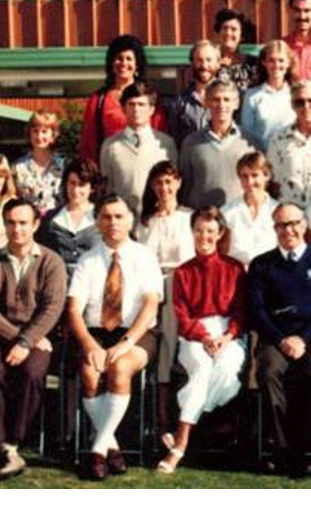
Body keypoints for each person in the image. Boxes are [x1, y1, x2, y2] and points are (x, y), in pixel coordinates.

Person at [65, 194, 161, 481]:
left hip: (136, 333)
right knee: (91, 373)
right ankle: (112, 448)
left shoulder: (145, 256)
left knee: (119, 368)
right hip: (95, 333)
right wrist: (89, 344)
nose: (113, 222)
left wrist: (127, 342)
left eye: (119, 216)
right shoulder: (88, 259)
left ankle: (96, 451)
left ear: (130, 220)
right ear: (97, 222)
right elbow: (73, 308)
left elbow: (151, 304)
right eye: (106, 217)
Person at [0, 198, 67, 480]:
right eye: (12, 223)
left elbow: (53, 307)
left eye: (23, 223)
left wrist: (28, 341)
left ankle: (14, 442)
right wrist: (20, 339)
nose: (17, 229)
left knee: (32, 372)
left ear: (36, 224)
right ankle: (3, 447)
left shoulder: (52, 262)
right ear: (5, 224)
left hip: (38, 336)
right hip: (1, 336)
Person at [248, 202, 311, 475]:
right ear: (274, 228)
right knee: (268, 372)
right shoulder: (262, 264)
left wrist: (302, 338)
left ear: (304, 225)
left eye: (294, 223)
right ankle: (283, 449)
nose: (288, 230)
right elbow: (257, 312)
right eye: (281, 225)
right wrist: (282, 340)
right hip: (275, 339)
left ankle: (304, 447)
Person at [157, 207, 248, 474]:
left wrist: (227, 336)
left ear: (220, 234)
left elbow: (242, 311)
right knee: (202, 368)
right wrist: (205, 337)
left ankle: (183, 425)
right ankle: (182, 445)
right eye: (198, 230)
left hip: (228, 333)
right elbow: (183, 317)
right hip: (194, 335)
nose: (203, 236)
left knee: (228, 369)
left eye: (210, 231)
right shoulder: (183, 273)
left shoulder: (234, 269)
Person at [135, 161, 195, 420]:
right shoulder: (143, 222)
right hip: (148, 289)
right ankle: (152, 416)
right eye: (159, 182)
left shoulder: (189, 218)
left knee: (172, 342)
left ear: (178, 183)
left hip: (181, 291)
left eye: (169, 181)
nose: (164, 188)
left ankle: (170, 418)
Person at [79, 34, 167, 162]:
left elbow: (161, 136)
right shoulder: (98, 100)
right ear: (111, 63)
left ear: (137, 65)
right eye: (119, 58)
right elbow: (88, 144)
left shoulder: (151, 98)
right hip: (110, 168)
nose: (124, 63)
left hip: (146, 166)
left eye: (129, 58)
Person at [99, 82, 178, 218]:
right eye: (131, 104)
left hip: (156, 220)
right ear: (123, 108)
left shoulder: (166, 144)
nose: (136, 109)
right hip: (123, 222)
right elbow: (107, 190)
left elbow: (174, 186)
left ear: (151, 109)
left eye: (141, 105)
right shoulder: (111, 146)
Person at [178, 80, 257, 209]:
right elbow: (184, 187)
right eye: (216, 99)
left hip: (239, 219)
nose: (221, 105)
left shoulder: (250, 143)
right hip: (203, 221)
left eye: (227, 100)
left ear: (236, 104)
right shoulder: (191, 143)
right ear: (207, 103)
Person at [35, 158, 103, 277]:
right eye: (72, 183)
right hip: (58, 286)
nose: (76, 190)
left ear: (92, 188)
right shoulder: (51, 219)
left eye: (82, 185)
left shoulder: (102, 217)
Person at [223, 152, 280, 268]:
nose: (249, 182)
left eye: (254, 175)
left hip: (269, 277)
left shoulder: (279, 211)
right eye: (244, 176)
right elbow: (222, 252)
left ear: (266, 176)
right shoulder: (227, 212)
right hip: (237, 276)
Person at [239, 40, 297, 152]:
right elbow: (247, 135)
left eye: (281, 60)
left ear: (288, 63)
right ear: (263, 62)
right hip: (263, 160)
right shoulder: (252, 96)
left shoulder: (296, 94)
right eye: (271, 60)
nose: (276, 65)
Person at [165, 40, 220, 149]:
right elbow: (174, 140)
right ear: (192, 63)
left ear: (218, 64)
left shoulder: (229, 98)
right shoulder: (179, 102)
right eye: (199, 60)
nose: (204, 65)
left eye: (209, 60)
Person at [12, 110, 66, 215]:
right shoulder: (18, 167)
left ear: (53, 135)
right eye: (35, 131)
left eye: (44, 131)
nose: (39, 136)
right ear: (30, 134)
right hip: (28, 226)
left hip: (57, 225)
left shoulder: (64, 166)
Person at [213, 8, 262, 91]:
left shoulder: (252, 63)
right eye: (224, 28)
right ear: (219, 32)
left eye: (233, 29)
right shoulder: (209, 61)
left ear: (241, 35)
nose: (228, 33)